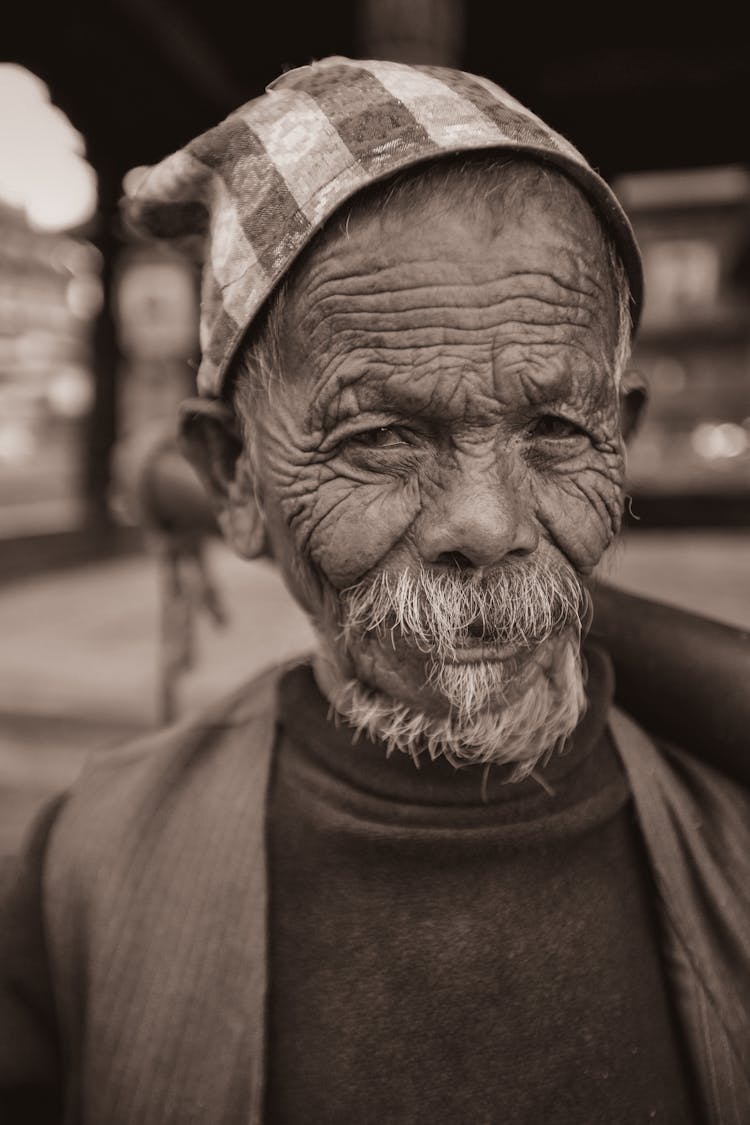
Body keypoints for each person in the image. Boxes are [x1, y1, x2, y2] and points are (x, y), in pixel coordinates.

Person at [2, 56, 749, 1125]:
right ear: (233, 477)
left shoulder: (733, 835)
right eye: (381, 438)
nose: (490, 529)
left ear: (618, 441)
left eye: (554, 431)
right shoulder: (89, 867)